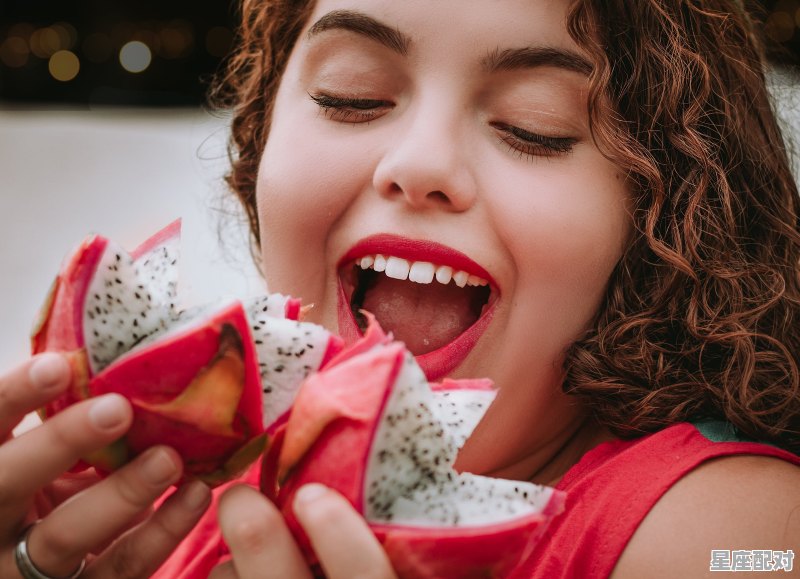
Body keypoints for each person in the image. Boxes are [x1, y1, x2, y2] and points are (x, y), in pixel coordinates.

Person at [2, 0, 800, 577]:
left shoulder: (736, 538)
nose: (417, 165)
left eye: (535, 125)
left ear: (664, 211)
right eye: (350, 97)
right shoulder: (144, 519)